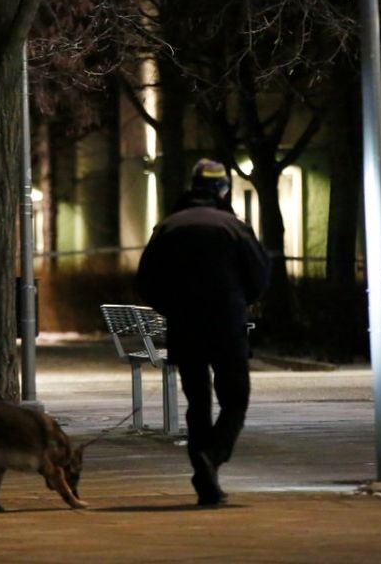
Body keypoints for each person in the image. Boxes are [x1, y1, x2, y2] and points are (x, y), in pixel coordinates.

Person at [135, 158, 271, 506]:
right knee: (235, 398)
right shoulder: (234, 227)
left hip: (185, 327)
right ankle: (214, 456)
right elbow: (258, 277)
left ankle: (205, 473)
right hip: (227, 327)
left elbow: (146, 282)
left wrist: (175, 308)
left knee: (197, 403)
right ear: (222, 189)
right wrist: (239, 302)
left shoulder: (168, 227)